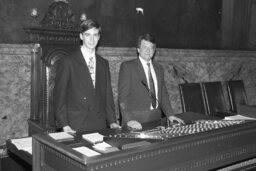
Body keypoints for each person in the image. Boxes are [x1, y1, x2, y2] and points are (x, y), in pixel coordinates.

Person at [54, 19, 120, 133]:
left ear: (99, 37)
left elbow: (107, 95)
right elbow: (60, 97)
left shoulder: (103, 63)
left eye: (95, 35)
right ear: (81, 36)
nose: (91, 39)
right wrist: (64, 124)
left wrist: (112, 121)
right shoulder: (68, 61)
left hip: (99, 124)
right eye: (87, 35)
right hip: (75, 124)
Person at [118, 34, 184, 130]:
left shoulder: (159, 68)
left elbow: (163, 94)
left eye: (151, 48)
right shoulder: (128, 67)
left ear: (154, 51)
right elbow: (122, 98)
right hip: (135, 121)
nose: (148, 50)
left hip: (156, 119)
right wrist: (129, 120)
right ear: (138, 49)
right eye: (145, 47)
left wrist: (170, 115)